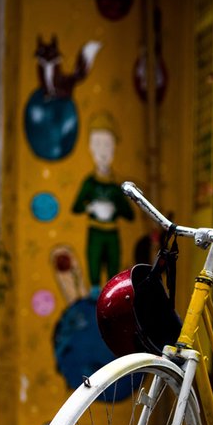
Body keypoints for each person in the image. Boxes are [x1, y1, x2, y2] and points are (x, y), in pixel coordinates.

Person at [72, 111, 134, 298]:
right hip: (95, 231)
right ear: (90, 146)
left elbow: (129, 214)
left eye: (107, 144)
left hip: (112, 233)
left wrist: (116, 207)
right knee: (94, 265)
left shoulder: (117, 186)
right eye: (97, 143)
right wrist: (90, 207)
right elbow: (76, 207)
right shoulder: (89, 183)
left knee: (113, 272)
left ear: (115, 147)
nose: (103, 150)